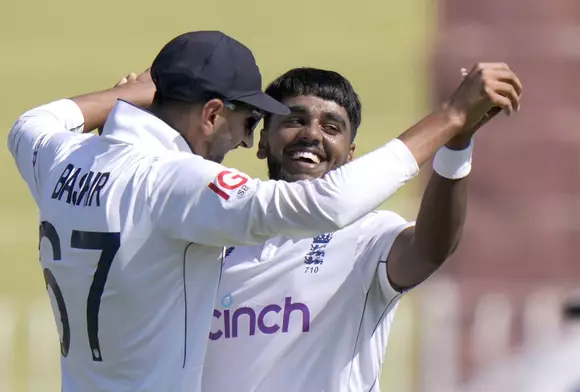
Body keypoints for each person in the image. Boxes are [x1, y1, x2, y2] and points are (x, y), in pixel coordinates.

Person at [7, 27, 520, 392]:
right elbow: (327, 203)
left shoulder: (60, 158)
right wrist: (451, 117)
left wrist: (139, 95)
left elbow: (31, 122)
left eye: (332, 127)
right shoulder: (183, 189)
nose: (241, 137)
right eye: (250, 121)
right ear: (214, 114)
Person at [201, 67, 522, 392]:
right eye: (294, 120)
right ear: (263, 142)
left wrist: (457, 144)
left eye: (331, 127)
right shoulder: (214, 239)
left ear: (351, 154)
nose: (311, 134)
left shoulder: (365, 234)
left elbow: (429, 250)